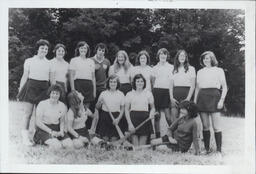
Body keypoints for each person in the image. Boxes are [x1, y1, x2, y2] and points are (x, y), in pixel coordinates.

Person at [17, 39, 51, 145]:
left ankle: (38, 137)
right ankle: (25, 138)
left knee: (40, 115)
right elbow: (24, 76)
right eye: (42, 48)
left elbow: (50, 79)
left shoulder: (49, 63)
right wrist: (20, 90)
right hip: (31, 87)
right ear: (37, 49)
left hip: (44, 89)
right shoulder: (29, 61)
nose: (44, 50)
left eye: (46, 49)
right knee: (28, 114)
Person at [194, 51, 227, 154]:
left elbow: (225, 87)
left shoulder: (219, 70)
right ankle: (207, 149)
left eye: (207, 58)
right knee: (205, 126)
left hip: (215, 97)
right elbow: (197, 88)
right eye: (204, 58)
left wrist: (221, 100)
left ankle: (218, 150)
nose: (205, 60)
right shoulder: (200, 72)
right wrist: (195, 101)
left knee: (216, 126)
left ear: (212, 59)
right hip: (202, 98)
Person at [33, 84, 72, 148]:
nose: (55, 95)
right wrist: (51, 132)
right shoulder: (42, 104)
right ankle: (46, 142)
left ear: (60, 95)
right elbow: (38, 122)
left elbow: (62, 121)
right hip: (44, 129)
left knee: (69, 145)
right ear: (49, 93)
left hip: (57, 128)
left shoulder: (62, 105)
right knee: (57, 146)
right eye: (53, 93)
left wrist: (61, 131)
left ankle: (57, 141)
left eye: (57, 94)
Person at [69, 41, 96, 131]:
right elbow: (71, 76)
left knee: (85, 110)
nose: (83, 50)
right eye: (81, 48)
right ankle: (74, 129)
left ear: (87, 50)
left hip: (88, 86)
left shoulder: (91, 61)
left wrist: (94, 91)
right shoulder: (74, 60)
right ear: (78, 49)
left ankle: (84, 129)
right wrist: (73, 89)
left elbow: (93, 77)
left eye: (85, 48)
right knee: (77, 107)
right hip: (78, 85)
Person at [125, 74, 155, 146]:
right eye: (137, 81)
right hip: (133, 121)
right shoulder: (129, 94)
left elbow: (153, 108)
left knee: (141, 146)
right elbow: (126, 110)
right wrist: (130, 124)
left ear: (144, 83)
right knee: (135, 145)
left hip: (145, 121)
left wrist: (151, 113)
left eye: (141, 81)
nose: (140, 83)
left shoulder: (148, 93)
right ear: (134, 83)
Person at [95, 75, 125, 141]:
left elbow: (122, 109)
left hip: (115, 117)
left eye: (114, 82)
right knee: (105, 139)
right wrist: (99, 102)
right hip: (104, 117)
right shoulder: (103, 93)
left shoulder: (121, 94)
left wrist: (118, 119)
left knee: (113, 139)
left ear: (117, 83)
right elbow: (97, 107)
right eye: (111, 82)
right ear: (108, 83)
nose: (113, 83)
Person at [152, 48, 174, 138]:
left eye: (165, 54)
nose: (163, 56)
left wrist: (170, 93)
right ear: (158, 56)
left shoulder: (171, 67)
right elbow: (153, 82)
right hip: (157, 92)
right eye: (161, 54)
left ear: (167, 56)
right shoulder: (154, 68)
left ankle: (172, 135)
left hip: (167, 92)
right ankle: (157, 137)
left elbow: (172, 82)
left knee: (168, 117)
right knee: (157, 116)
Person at [90, 43, 111, 132]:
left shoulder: (107, 61)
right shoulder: (90, 60)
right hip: (92, 88)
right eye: (99, 50)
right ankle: (90, 129)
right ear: (96, 50)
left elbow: (108, 76)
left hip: (103, 89)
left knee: (100, 110)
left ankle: (99, 130)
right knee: (92, 108)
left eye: (103, 51)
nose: (101, 52)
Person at [170, 50, 196, 121]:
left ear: (186, 57)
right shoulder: (173, 69)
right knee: (174, 119)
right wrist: (171, 97)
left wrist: (188, 98)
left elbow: (193, 85)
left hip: (186, 95)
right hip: (175, 96)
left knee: (185, 118)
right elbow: (171, 85)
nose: (182, 57)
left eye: (183, 56)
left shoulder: (191, 69)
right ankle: (175, 132)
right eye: (180, 55)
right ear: (177, 57)